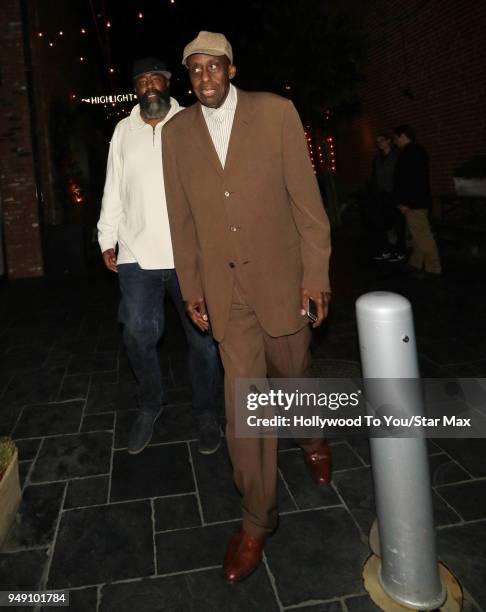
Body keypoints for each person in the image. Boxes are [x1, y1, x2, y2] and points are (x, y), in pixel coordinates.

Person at [162, 32, 332, 583]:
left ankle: (311, 437)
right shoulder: (177, 134)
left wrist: (317, 275)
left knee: (294, 375)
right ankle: (258, 519)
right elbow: (180, 219)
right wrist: (191, 287)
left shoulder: (276, 112)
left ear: (231, 69)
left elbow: (308, 205)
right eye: (196, 69)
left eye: (215, 67)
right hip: (224, 293)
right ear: (188, 76)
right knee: (246, 408)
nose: (205, 77)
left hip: (282, 282)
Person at [97, 57, 221, 456]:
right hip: (135, 254)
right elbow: (114, 187)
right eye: (141, 81)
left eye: (156, 79)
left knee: (203, 341)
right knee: (136, 333)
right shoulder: (123, 130)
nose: (149, 85)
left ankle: (204, 411)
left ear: (168, 84)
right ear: (136, 89)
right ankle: (150, 403)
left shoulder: (192, 122)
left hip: (190, 253)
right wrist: (106, 237)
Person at [393, 125, 441, 276]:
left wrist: (406, 202)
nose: (395, 141)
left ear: (403, 136)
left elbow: (413, 180)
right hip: (417, 201)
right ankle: (416, 261)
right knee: (417, 234)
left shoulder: (411, 153)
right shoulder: (415, 151)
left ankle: (433, 267)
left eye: (395, 137)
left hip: (414, 203)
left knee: (422, 235)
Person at [368, 132, 405, 262]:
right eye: (377, 141)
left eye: (382, 140)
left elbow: (400, 176)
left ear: (389, 141)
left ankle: (400, 251)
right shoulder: (377, 158)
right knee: (381, 223)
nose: (379, 143)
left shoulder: (397, 156)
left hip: (393, 194)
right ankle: (386, 250)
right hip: (381, 195)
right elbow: (374, 177)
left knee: (397, 223)